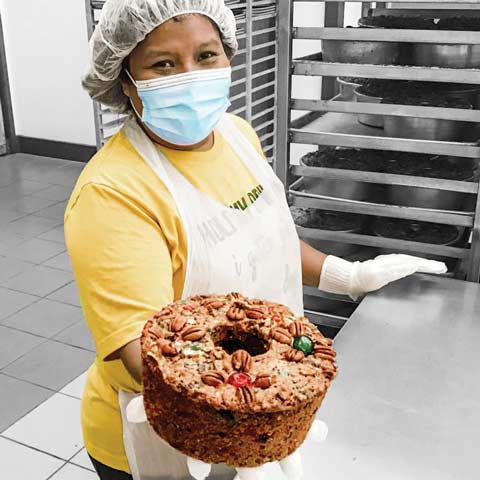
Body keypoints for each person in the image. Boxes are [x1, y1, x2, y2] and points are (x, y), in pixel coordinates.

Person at [65, 1, 447, 478]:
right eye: (163, 63)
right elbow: (140, 347)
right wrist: (246, 417)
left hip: (258, 407)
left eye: (206, 55)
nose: (191, 75)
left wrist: (345, 274)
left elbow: (263, 239)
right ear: (127, 81)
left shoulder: (238, 136)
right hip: (170, 429)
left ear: (227, 55)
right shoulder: (113, 192)